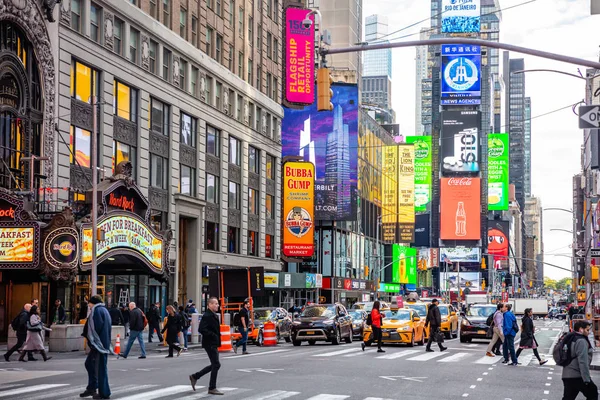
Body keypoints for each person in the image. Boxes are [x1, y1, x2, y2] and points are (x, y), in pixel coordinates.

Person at [80, 295, 113, 399]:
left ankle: (104, 393)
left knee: (99, 367)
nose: (88, 305)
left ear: (93, 302)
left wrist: (93, 342)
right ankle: (92, 387)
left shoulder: (97, 311)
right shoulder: (104, 310)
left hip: (99, 345)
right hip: (103, 343)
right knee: (90, 364)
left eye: (89, 303)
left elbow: (95, 328)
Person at [189, 297, 223, 395]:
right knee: (216, 364)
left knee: (215, 364)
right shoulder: (207, 315)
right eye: (215, 304)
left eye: (217, 304)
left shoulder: (213, 315)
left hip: (213, 342)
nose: (217, 305)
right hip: (210, 343)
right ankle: (212, 387)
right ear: (210, 305)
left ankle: (195, 376)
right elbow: (201, 329)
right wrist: (213, 335)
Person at [562, 320, 597, 400]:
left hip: (567, 374)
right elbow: (583, 361)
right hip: (577, 375)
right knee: (593, 393)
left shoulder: (571, 337)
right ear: (581, 329)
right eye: (587, 330)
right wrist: (586, 379)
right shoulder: (581, 341)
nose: (589, 332)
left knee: (568, 398)